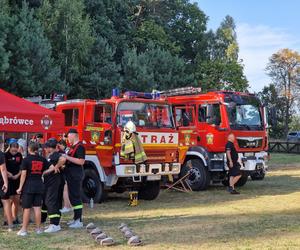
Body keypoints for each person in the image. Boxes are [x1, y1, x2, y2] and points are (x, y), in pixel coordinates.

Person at [16, 142, 56, 236]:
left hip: (28, 186)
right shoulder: (42, 159)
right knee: (37, 208)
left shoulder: (26, 160)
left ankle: (24, 230)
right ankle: (38, 229)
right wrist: (42, 173)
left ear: (29, 149)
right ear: (37, 149)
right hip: (39, 185)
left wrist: (20, 187)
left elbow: (24, 174)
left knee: (27, 208)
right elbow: (53, 167)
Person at [61, 129, 85, 228]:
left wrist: (67, 157)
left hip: (76, 175)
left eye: (68, 136)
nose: (67, 138)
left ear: (73, 135)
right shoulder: (72, 147)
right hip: (70, 175)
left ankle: (79, 220)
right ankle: (75, 219)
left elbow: (81, 161)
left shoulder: (80, 147)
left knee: (76, 197)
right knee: (72, 197)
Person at [42, 139, 66, 233]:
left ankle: (54, 224)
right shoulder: (51, 155)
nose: (45, 149)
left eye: (46, 148)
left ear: (49, 148)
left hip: (54, 183)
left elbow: (63, 159)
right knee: (54, 201)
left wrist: (55, 167)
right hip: (52, 182)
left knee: (50, 201)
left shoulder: (55, 154)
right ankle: (54, 223)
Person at [5, 141, 22, 224]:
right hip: (8, 181)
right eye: (13, 149)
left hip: (17, 180)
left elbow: (22, 168)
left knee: (16, 201)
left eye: (16, 149)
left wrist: (18, 175)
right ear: (10, 148)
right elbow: (2, 168)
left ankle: (15, 218)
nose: (15, 151)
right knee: (9, 201)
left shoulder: (19, 155)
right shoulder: (5, 155)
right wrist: (9, 174)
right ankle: (7, 219)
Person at [0, 136, 13, 232]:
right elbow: (3, 169)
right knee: (6, 202)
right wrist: (6, 182)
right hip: (1, 181)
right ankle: (10, 225)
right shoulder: (0, 154)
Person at [57, 140, 72, 214]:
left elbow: (66, 161)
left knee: (65, 190)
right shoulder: (67, 150)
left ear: (62, 144)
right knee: (66, 190)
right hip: (68, 172)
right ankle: (68, 206)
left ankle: (67, 206)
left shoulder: (65, 151)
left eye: (59, 146)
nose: (59, 148)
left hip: (66, 173)